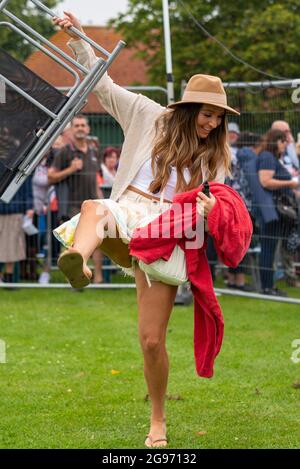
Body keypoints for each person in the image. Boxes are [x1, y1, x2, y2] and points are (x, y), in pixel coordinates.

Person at [52, 11, 240, 448]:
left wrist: (212, 212)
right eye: (208, 115)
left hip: (170, 228)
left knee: (152, 339)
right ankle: (80, 262)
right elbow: (102, 85)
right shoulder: (146, 113)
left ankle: (158, 419)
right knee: (94, 207)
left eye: (219, 118)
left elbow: (221, 208)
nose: (213, 124)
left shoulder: (214, 157)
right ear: (190, 107)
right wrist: (79, 37)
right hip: (130, 207)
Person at [48, 114, 104, 284]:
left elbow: (95, 179)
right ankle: (74, 278)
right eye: (77, 125)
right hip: (72, 205)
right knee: (75, 242)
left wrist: (101, 201)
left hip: (93, 204)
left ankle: (99, 278)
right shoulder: (65, 151)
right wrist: (71, 169)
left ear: (88, 129)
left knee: (98, 241)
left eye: (82, 125)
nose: (80, 128)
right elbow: (51, 177)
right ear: (71, 130)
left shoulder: (94, 150)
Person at [257, 129, 299, 296]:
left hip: (275, 211)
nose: (285, 145)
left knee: (270, 248)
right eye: (283, 142)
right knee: (268, 248)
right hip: (271, 212)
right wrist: (290, 183)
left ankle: (269, 286)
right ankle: (267, 287)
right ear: (276, 141)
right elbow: (265, 181)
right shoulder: (267, 157)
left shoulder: (271, 158)